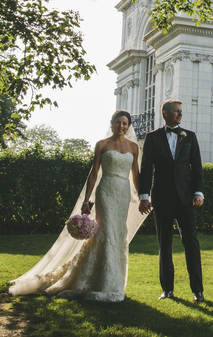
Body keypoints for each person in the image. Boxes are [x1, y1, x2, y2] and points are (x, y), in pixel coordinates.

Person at [8, 110, 144, 301]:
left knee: (118, 233)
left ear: (128, 126)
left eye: (125, 123)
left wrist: (143, 197)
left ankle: (113, 281)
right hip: (105, 191)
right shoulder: (102, 144)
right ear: (111, 123)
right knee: (104, 233)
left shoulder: (133, 147)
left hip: (123, 195)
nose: (121, 126)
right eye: (118, 122)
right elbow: (94, 174)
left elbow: (136, 175)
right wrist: (87, 201)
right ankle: (97, 281)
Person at [138, 99, 206, 303]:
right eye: (176, 111)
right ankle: (167, 289)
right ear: (165, 113)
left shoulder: (190, 137)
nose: (180, 114)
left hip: (187, 199)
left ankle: (198, 291)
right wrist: (144, 196)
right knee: (164, 243)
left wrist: (198, 192)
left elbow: (197, 167)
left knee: (191, 243)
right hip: (162, 198)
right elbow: (146, 168)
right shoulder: (152, 138)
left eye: (181, 111)